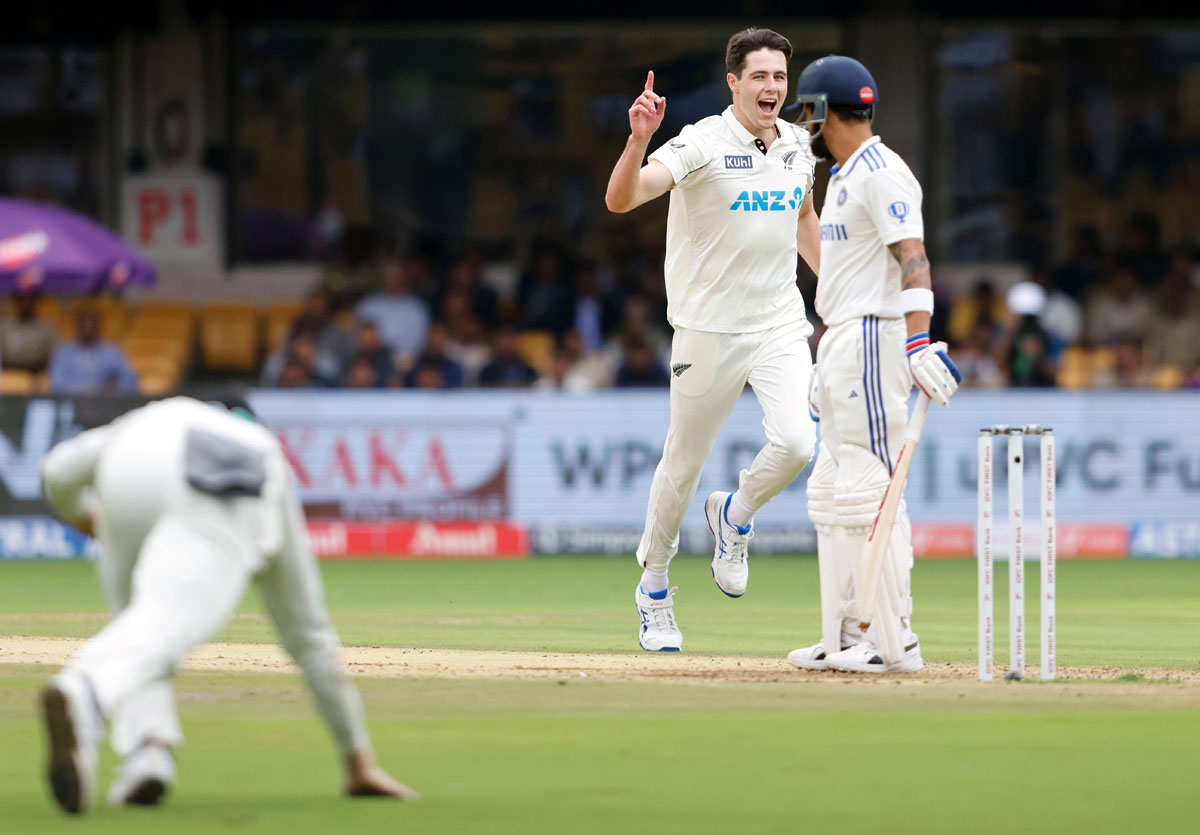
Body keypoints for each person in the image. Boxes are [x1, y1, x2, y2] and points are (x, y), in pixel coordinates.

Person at [36, 397, 416, 814]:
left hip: (127, 467)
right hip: (217, 483)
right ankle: (85, 693)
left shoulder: (149, 416)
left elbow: (55, 471)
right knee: (165, 623)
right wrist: (357, 759)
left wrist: (85, 517)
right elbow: (309, 635)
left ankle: (149, 755)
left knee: (137, 622)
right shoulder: (261, 448)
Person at [605, 28, 821, 652]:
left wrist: (837, 293)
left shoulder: (800, 147)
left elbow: (803, 220)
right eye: (759, 77)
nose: (771, 88)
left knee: (799, 443)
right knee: (684, 463)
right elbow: (622, 199)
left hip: (779, 322)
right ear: (733, 82)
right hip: (707, 328)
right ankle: (654, 587)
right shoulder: (700, 141)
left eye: (780, 77)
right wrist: (638, 139)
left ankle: (735, 515)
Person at [784, 55, 961, 673]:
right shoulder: (843, 178)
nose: (803, 124)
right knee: (831, 491)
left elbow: (914, 259)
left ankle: (895, 640)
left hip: (874, 339)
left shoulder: (883, 173)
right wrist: (824, 357)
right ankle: (842, 635)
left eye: (807, 111)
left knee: (871, 488)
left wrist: (918, 342)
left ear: (823, 111)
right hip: (840, 342)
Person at [48, 310, 138, 395]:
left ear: (98, 326)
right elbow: (57, 385)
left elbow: (129, 380)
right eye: (84, 323)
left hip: (105, 404)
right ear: (77, 326)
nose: (88, 327)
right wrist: (85, 391)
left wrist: (114, 388)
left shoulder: (111, 351)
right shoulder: (64, 353)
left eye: (92, 324)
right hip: (73, 405)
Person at [0, 294, 59, 372]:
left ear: (36, 300)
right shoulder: (4, 327)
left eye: (30, 299)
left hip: (38, 376)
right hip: (8, 375)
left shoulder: (47, 328)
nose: (26, 303)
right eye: (22, 299)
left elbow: (56, 356)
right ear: (15, 301)